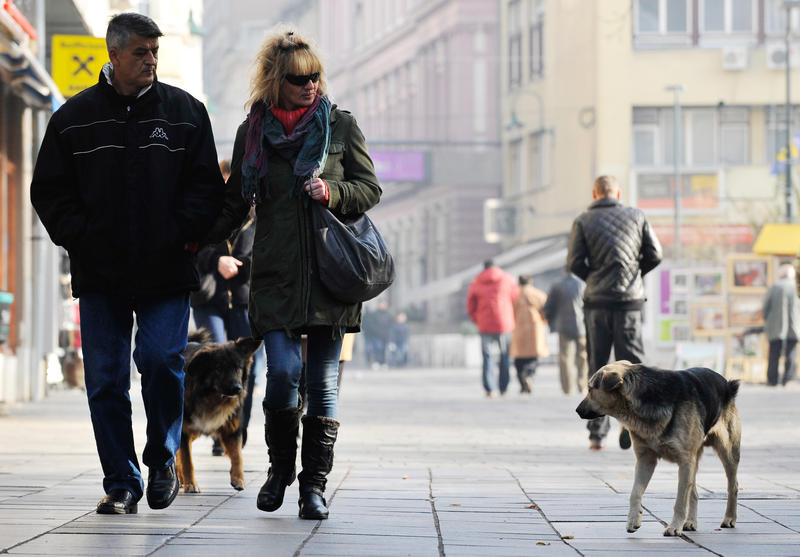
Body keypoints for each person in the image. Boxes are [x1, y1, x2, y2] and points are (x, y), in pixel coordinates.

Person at [30, 13, 225, 514]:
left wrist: (185, 235)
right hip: (101, 276)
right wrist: (84, 239)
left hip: (166, 271)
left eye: (155, 52)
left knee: (162, 362)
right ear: (114, 56)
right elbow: (49, 192)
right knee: (106, 380)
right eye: (140, 52)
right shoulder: (74, 119)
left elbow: (206, 188)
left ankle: (161, 458)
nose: (151, 61)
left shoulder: (185, 114)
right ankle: (120, 481)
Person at [202, 27, 382, 520]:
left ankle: (313, 487)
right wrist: (198, 236)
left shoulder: (340, 126)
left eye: (316, 77)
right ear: (276, 81)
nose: (310, 86)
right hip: (276, 275)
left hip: (330, 275)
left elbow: (369, 188)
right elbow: (236, 201)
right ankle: (280, 470)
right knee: (282, 373)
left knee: (323, 382)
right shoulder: (252, 133)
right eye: (299, 79)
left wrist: (335, 194)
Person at [567, 175, 662, 450]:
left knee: (597, 363)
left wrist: (595, 279)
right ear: (618, 193)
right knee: (633, 366)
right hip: (629, 302)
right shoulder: (637, 216)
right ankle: (638, 425)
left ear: (594, 194)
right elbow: (655, 254)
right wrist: (634, 276)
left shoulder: (583, 220)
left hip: (597, 303)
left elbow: (574, 262)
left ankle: (597, 433)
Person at [191, 160, 264, 456]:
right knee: (216, 356)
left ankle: (235, 429)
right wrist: (215, 261)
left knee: (247, 367)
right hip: (209, 297)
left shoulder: (260, 217)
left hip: (246, 300)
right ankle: (215, 425)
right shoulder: (206, 213)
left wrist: (243, 267)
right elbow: (190, 248)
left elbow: (272, 255)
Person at [467, 260, 519, 397]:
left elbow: (470, 304)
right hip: (504, 324)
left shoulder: (476, 281)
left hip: (484, 325)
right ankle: (503, 387)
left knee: (487, 357)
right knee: (504, 356)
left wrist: (477, 319)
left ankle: (490, 388)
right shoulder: (507, 279)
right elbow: (515, 297)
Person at [543, 268, 588, 395]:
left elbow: (548, 307)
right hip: (582, 326)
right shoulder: (583, 284)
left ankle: (568, 388)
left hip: (563, 326)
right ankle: (582, 385)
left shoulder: (557, 284)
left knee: (565, 358)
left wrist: (551, 322)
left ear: (564, 271)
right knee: (583, 357)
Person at [762, 263, 800, 386]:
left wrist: (767, 319)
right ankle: (789, 379)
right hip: (795, 326)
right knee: (791, 353)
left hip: (775, 327)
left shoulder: (774, 287)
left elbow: (765, 307)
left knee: (774, 353)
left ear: (781, 274)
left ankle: (772, 380)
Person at [509, 275, 548, 394]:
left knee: (519, 359)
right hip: (535, 329)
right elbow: (546, 310)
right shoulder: (538, 294)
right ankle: (529, 377)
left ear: (519, 282)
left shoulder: (514, 295)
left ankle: (522, 382)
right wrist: (543, 321)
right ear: (530, 282)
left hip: (518, 328)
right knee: (533, 357)